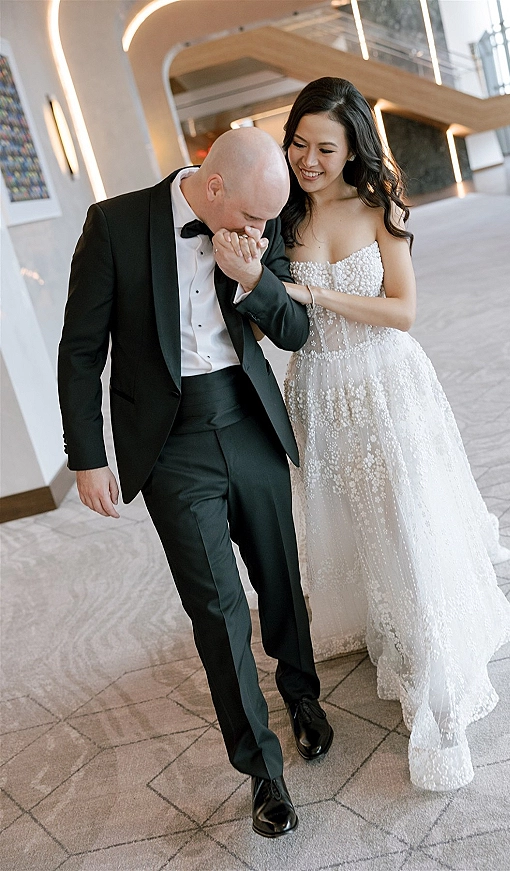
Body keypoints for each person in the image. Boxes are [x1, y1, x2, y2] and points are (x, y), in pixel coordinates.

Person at [57, 127, 333, 838]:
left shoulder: (257, 214)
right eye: (248, 219)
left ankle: (301, 694)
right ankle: (262, 771)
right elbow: (81, 349)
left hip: (246, 417)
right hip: (171, 447)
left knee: (280, 576)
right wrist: (87, 457)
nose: (260, 231)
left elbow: (296, 331)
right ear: (214, 189)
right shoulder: (115, 225)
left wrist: (255, 278)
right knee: (217, 612)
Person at [278, 77, 510, 791]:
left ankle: (438, 677)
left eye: (326, 147)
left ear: (353, 147)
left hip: (385, 384)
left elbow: (405, 310)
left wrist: (317, 293)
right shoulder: (280, 215)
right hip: (319, 389)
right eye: (298, 143)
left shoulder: (375, 204)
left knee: (407, 518)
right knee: (349, 516)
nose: (308, 160)